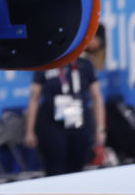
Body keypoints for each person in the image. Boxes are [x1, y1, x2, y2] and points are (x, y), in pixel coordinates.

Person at [24, 49, 106, 177]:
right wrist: (29, 131)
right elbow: (34, 99)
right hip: (51, 123)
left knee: (77, 169)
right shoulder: (45, 64)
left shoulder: (84, 64)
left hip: (80, 122)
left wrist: (100, 129)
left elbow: (97, 97)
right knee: (55, 168)